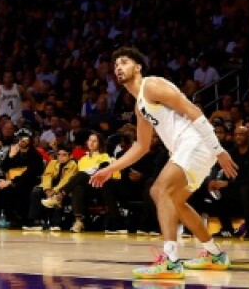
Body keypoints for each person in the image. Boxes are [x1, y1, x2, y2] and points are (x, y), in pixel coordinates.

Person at [90, 47, 238, 281]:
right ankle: (214, 254)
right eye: (116, 64)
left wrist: (218, 150)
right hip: (187, 149)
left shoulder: (152, 85)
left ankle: (170, 261)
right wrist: (110, 168)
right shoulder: (139, 106)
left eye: (125, 62)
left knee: (159, 191)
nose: (118, 66)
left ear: (138, 67)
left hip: (195, 143)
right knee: (175, 202)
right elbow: (141, 146)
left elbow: (193, 111)